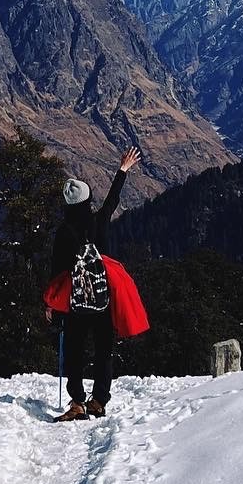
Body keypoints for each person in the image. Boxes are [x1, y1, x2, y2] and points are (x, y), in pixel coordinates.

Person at [45, 145, 141, 420]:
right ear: (87, 200)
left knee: (74, 351)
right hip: (103, 298)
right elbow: (112, 200)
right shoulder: (99, 220)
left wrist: (51, 303)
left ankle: (77, 401)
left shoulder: (63, 232)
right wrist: (122, 170)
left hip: (76, 301)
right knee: (103, 351)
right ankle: (98, 401)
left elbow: (57, 270)